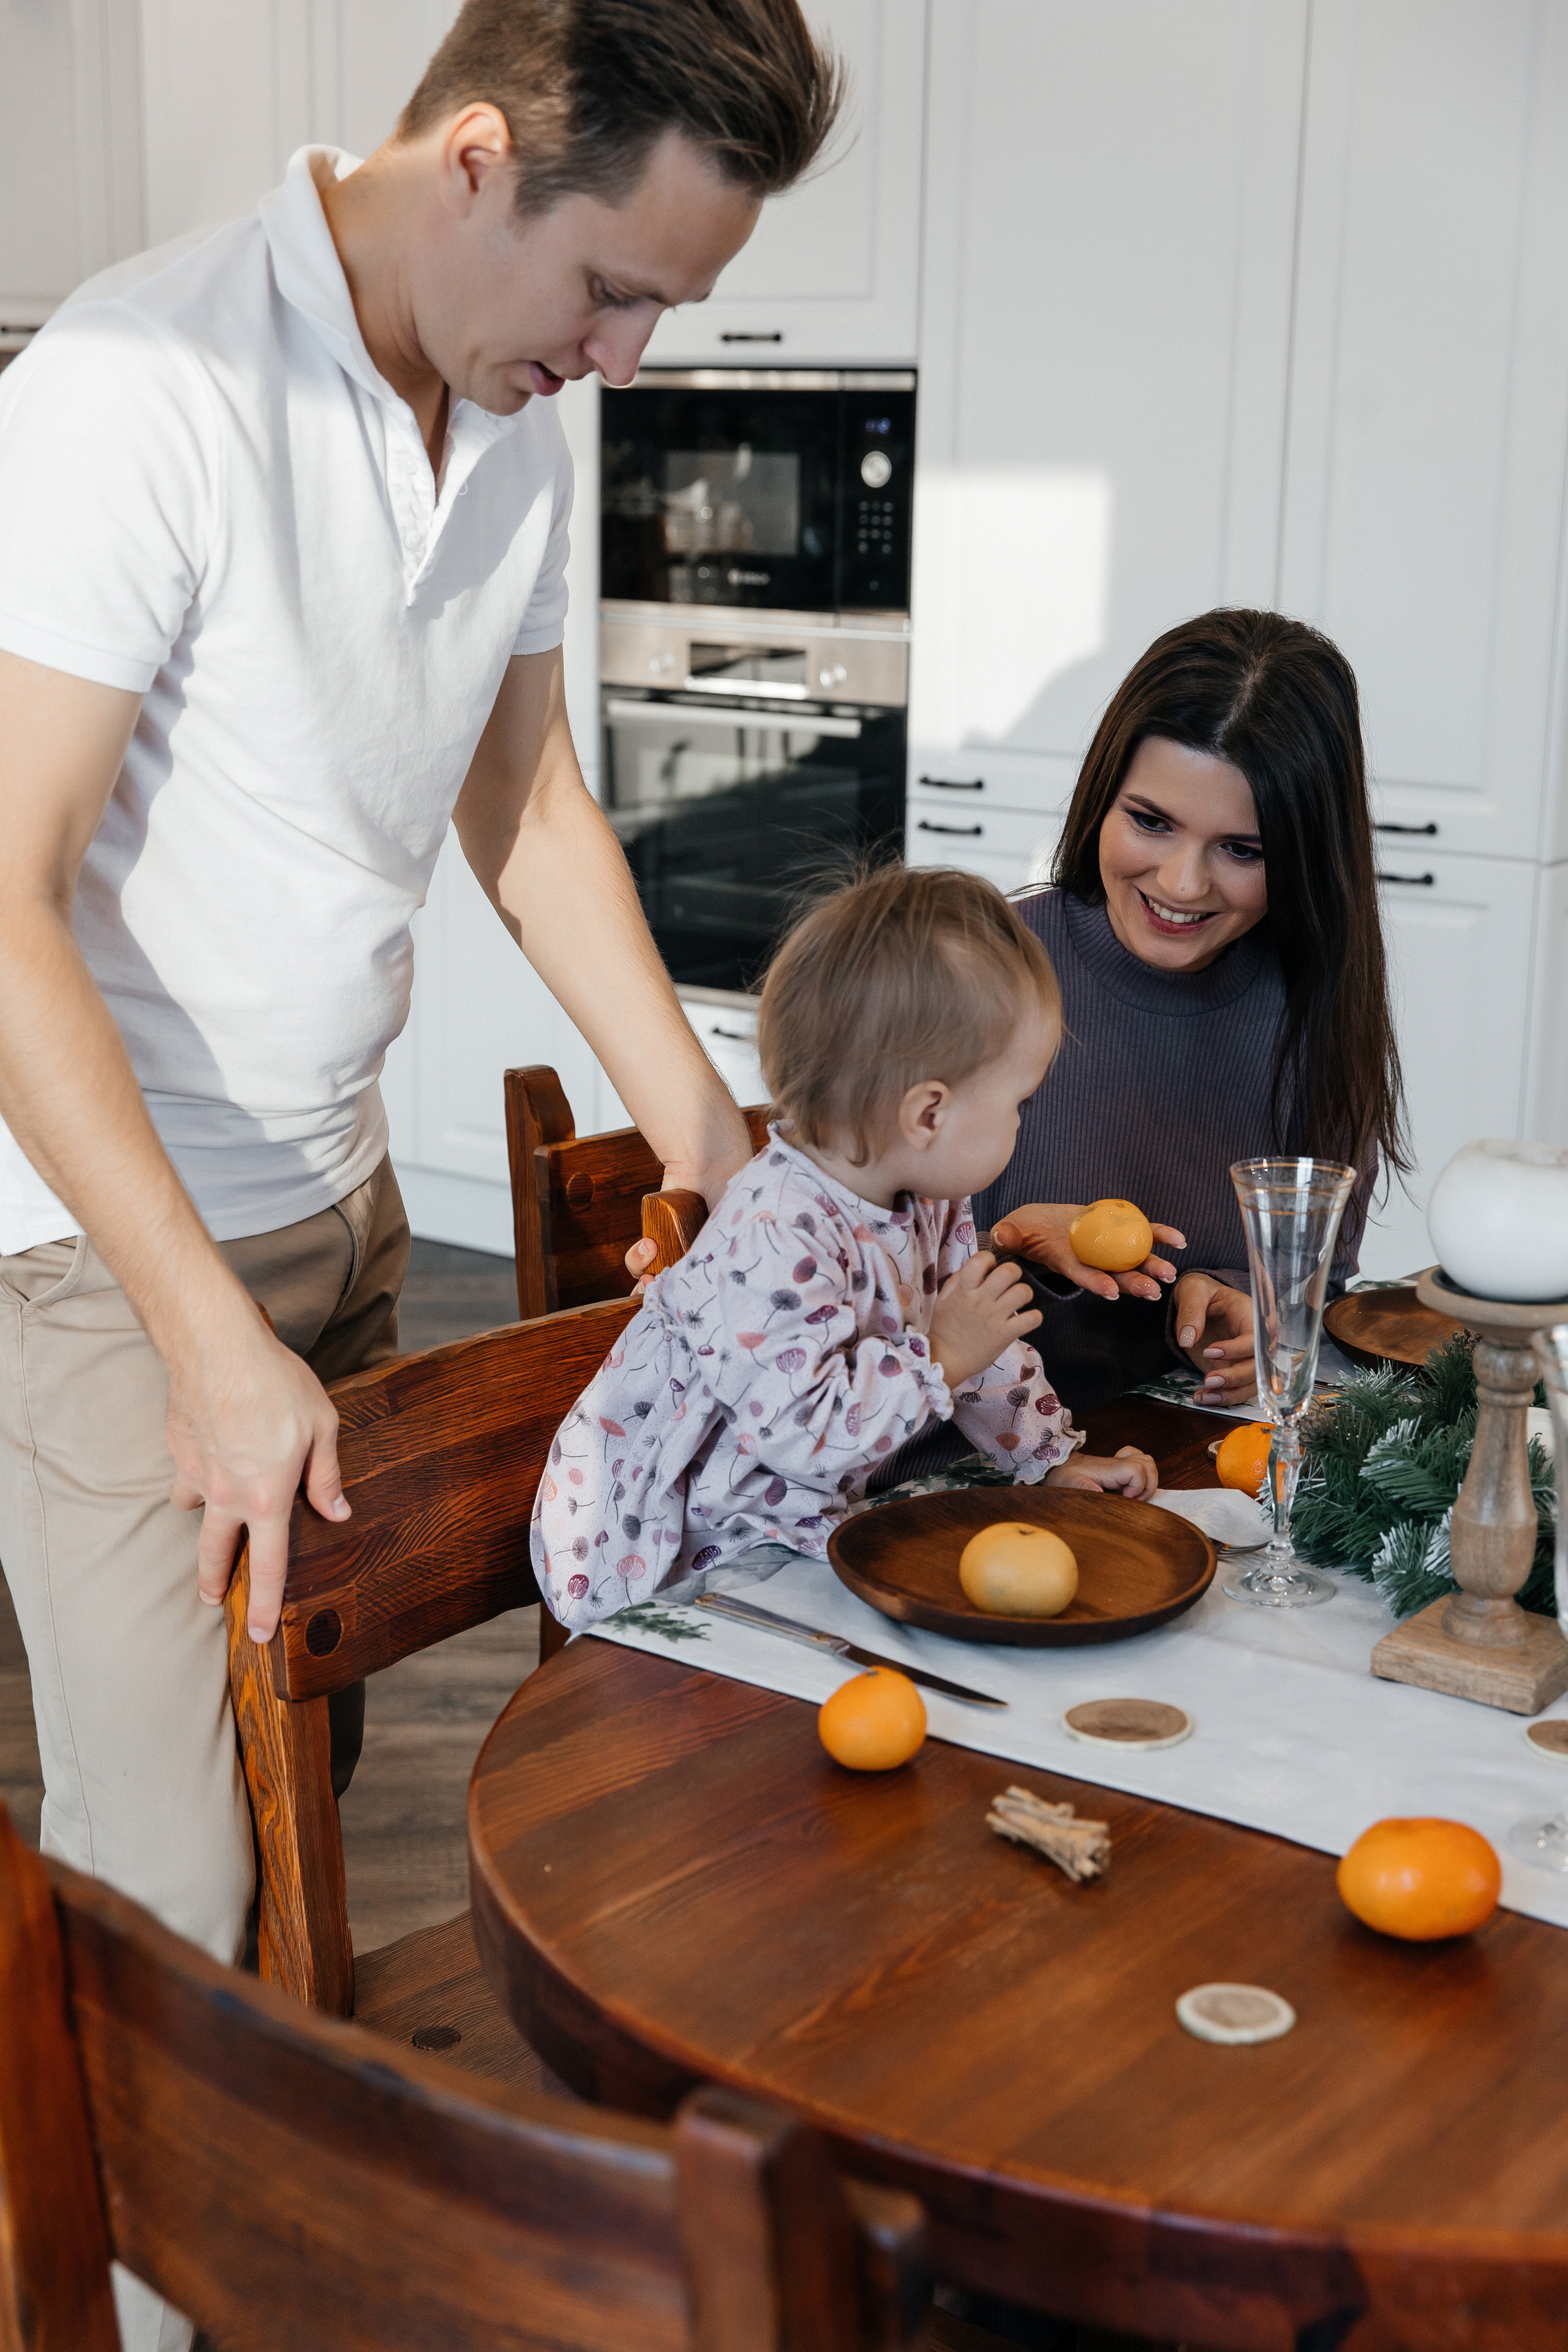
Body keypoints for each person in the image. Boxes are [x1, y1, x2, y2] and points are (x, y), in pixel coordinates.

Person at [0, 12, 840, 2337]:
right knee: (158, 1879)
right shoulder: (136, 385)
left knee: (297, 1798)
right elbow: (2, 897)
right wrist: (199, 1339)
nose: (626, 351)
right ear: (475, 158)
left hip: (338, 1200)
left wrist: (703, 1125)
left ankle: (260, 2250)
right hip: (103, 1254)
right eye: (611, 291)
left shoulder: (507, 412)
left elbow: (522, 798)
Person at [533, 867, 1159, 1629]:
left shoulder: (927, 1198)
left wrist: (1046, 1458)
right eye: (1018, 1102)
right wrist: (940, 1355)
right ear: (928, 1113)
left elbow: (982, 1340)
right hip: (676, 1551)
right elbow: (808, 1435)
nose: (1023, 1124)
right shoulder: (774, 1230)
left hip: (795, 1519)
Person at [970, 608, 1409, 1423]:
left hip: (1173, 1457)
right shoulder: (979, 968)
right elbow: (843, 1281)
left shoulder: (1317, 1015)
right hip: (964, 1471)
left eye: (1242, 850)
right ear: (1102, 798)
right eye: (1150, 821)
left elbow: (1315, 1283)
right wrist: (1009, 1244)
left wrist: (1232, 1307)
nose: (1180, 883)